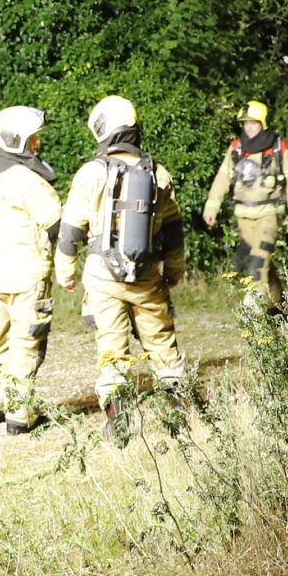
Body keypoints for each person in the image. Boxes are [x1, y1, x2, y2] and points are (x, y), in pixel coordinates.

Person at [54, 95, 188, 429]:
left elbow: (71, 230)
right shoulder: (159, 174)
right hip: (147, 278)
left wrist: (65, 270)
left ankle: (118, 420)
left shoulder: (90, 174)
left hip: (102, 278)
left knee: (112, 348)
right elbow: (173, 232)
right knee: (161, 344)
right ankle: (181, 414)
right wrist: (173, 271)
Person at [0, 106, 61, 433]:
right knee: (27, 343)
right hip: (29, 275)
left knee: (3, 340)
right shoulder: (26, 180)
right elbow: (57, 225)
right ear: (19, 140)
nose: (37, 143)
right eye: (34, 138)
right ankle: (20, 417)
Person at [202, 100, 288, 307]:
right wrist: (212, 206)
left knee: (258, 260)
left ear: (263, 123)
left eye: (253, 123)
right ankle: (277, 304)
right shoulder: (236, 149)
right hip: (243, 213)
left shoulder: (281, 148)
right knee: (261, 261)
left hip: (269, 213)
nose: (248, 127)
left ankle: (254, 308)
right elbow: (222, 178)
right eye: (245, 123)